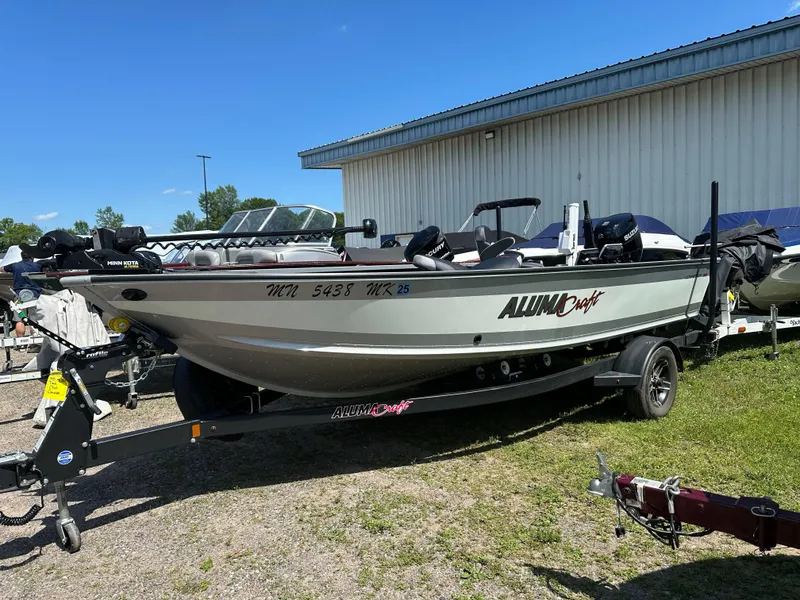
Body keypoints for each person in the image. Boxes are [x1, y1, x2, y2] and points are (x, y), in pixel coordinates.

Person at [3, 252, 42, 337]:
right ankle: (35, 342)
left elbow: (2, 269)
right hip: (34, 295)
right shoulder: (38, 266)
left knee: (20, 319)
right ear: (32, 257)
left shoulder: (15, 266)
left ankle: (21, 344)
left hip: (19, 296)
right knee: (34, 319)